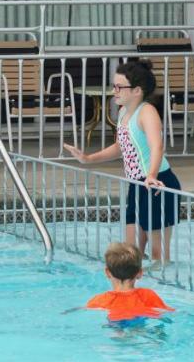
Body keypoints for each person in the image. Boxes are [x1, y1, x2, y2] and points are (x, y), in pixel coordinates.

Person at [62, 60, 182, 263]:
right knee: (130, 254)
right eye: (114, 85)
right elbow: (120, 147)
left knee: (158, 257)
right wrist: (87, 158)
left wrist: (151, 175)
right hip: (138, 185)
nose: (114, 90)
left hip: (158, 183)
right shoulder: (124, 113)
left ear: (136, 90)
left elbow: (157, 146)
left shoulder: (147, 112)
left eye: (119, 87)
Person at [85, 242, 174, 324]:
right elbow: (167, 312)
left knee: (116, 329)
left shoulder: (100, 300)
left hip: (115, 322)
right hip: (139, 320)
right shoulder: (147, 295)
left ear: (107, 272)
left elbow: (86, 310)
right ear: (139, 273)